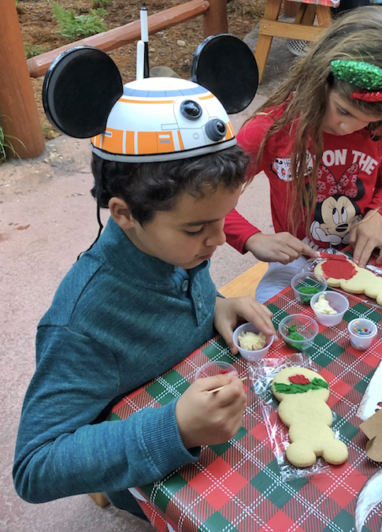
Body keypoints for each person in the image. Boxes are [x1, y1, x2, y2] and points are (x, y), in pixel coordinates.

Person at [13, 41, 273, 521]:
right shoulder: (82, 322)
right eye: (197, 228)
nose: (219, 241)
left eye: (224, 219)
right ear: (125, 214)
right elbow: (33, 467)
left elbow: (182, 282)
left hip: (196, 398)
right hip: (145, 464)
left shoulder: (176, 245)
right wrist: (174, 428)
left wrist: (212, 303)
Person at [227, 6, 382, 303]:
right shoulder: (272, 128)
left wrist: (378, 217)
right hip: (300, 261)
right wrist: (251, 238)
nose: (349, 127)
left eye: (368, 122)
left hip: (362, 254)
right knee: (273, 311)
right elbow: (201, 199)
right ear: (320, 78)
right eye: (343, 111)